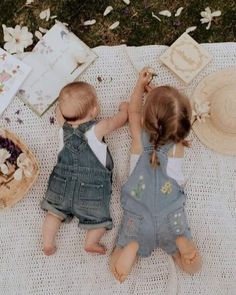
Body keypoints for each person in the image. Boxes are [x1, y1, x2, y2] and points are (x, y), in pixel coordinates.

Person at [110, 68, 202, 283]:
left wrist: (140, 87)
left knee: (115, 265)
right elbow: (181, 119)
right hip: (171, 214)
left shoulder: (137, 137)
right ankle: (183, 245)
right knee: (192, 268)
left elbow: (133, 111)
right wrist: (163, 104)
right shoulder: (178, 143)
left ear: (144, 120)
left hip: (138, 214)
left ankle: (131, 247)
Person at [41, 81, 128, 256]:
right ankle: (91, 242)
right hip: (91, 190)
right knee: (99, 221)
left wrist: (64, 109)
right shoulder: (97, 128)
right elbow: (117, 122)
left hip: (61, 185)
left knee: (53, 213)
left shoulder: (62, 127)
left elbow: (60, 112)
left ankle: (48, 242)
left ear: (64, 115)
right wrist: (124, 110)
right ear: (95, 111)